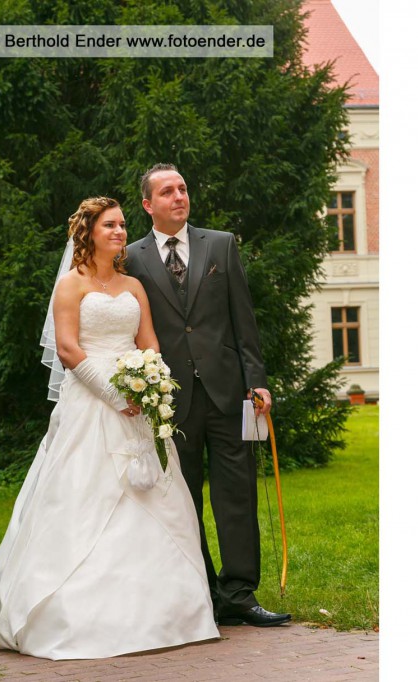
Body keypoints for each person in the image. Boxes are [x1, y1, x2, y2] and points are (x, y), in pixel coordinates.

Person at [0, 197, 219, 659]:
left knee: (153, 499)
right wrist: (114, 395)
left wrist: (150, 386)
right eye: (110, 225)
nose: (121, 231)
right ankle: (71, 613)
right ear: (89, 232)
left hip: (137, 408)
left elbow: (150, 344)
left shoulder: (133, 286)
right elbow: (67, 349)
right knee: (84, 500)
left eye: (123, 224)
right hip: (91, 403)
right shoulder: (71, 285)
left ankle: (165, 614)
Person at [125, 164, 290, 627]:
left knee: (236, 495)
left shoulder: (220, 245)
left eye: (183, 188)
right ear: (147, 205)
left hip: (230, 392)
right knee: (182, 499)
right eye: (167, 191)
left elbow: (244, 320)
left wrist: (257, 380)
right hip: (171, 400)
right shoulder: (133, 258)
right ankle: (202, 591)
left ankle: (239, 593)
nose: (179, 196)